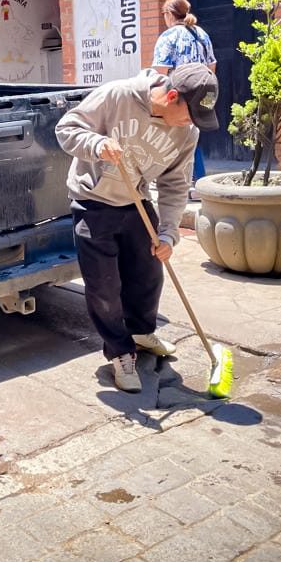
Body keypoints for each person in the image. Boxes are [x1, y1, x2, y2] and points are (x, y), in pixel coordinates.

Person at [55, 64, 220, 393]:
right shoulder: (119, 95)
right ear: (172, 97)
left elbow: (174, 185)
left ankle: (142, 332)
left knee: (148, 272)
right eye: (189, 114)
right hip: (94, 199)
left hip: (136, 200)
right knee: (104, 286)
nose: (192, 124)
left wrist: (168, 234)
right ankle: (119, 352)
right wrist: (96, 144)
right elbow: (66, 128)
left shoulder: (188, 133)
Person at [151, 0, 218, 199]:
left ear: (169, 14)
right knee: (193, 135)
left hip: (176, 96)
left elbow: (160, 72)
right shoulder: (202, 34)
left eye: (164, 14)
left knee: (171, 138)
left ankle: (178, 183)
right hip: (201, 91)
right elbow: (212, 67)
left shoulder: (168, 36)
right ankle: (199, 181)